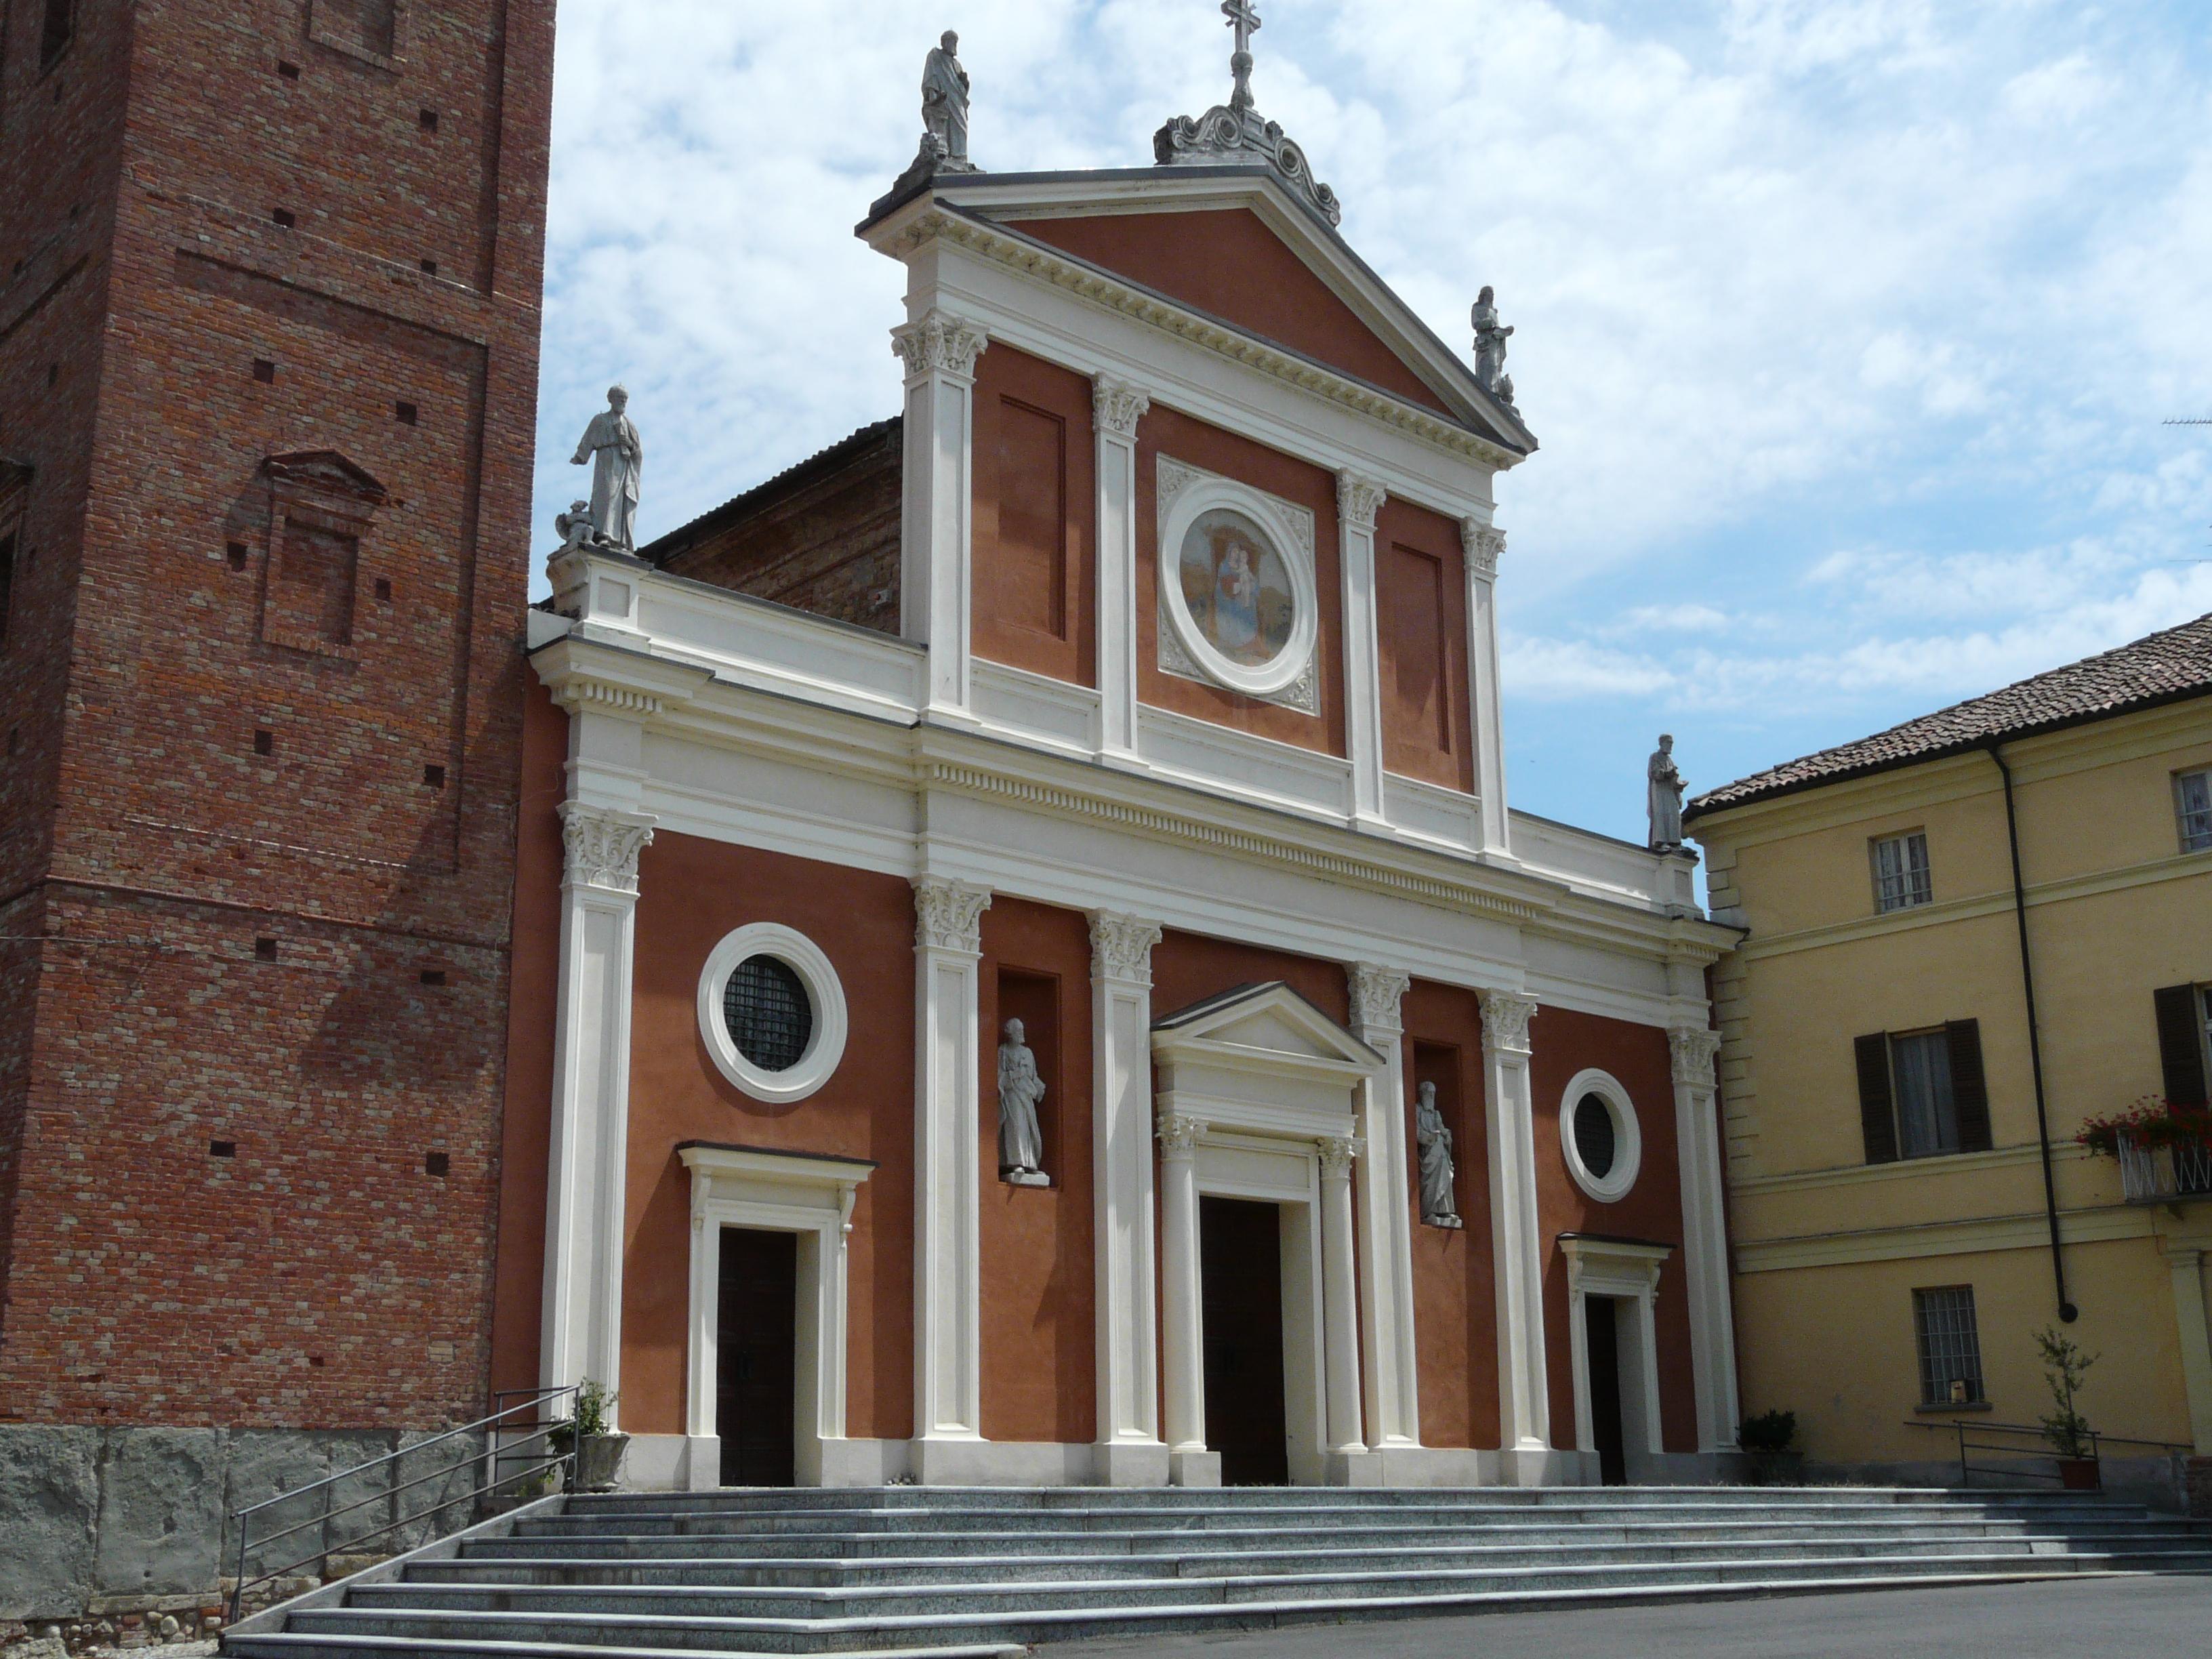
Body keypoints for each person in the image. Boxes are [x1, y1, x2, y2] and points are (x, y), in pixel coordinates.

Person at [569, 386, 642, 550]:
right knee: (605, 496)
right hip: (606, 462)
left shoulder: (629, 425)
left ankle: (620, 541)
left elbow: (638, 451)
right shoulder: (600, 420)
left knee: (621, 500)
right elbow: (588, 439)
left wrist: (629, 444)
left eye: (625, 398)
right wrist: (581, 456)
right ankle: (603, 535)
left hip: (624, 467)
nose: (623, 401)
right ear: (610, 399)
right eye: (619, 397)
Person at [996, 1017, 1047, 1184]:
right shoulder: (1003, 1051)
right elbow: (999, 1076)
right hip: (1012, 1095)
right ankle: (1016, 1162)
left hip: (1026, 1095)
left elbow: (1033, 1076)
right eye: (1018, 1031)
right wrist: (1014, 1075)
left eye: (1022, 1031)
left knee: (1029, 1128)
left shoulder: (1028, 1053)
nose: (1021, 1034)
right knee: (1016, 1126)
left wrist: (1039, 1087)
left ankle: (1030, 1163)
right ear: (1010, 1032)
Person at [1416, 1081, 1461, 1229]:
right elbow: (1417, 1132)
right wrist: (1429, 1137)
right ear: (1422, 1094)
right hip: (1429, 1151)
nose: (1431, 1097)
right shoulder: (1418, 1110)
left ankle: (1444, 1210)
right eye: (1428, 1093)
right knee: (1431, 1180)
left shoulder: (1436, 1114)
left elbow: (1442, 1128)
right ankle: (1429, 1210)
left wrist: (1447, 1135)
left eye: (1433, 1094)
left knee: (1446, 1177)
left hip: (1440, 1150)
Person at [1648, 734, 1686, 850]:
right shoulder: (1655, 757)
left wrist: (1679, 784)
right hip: (1659, 793)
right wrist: (1667, 773)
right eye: (1668, 743)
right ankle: (1661, 841)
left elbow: (1673, 779)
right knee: (1661, 814)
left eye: (1671, 744)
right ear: (1661, 744)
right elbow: (1654, 773)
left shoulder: (1670, 760)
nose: (1670, 746)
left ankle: (1675, 842)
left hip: (1670, 792)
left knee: (1674, 814)